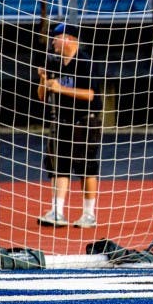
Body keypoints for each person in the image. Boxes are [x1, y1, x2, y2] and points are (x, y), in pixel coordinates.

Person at [36, 23, 104, 228]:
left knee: (86, 165)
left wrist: (60, 88)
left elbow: (91, 95)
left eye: (56, 37)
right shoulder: (54, 62)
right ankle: (57, 211)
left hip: (85, 120)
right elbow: (42, 96)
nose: (53, 41)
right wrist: (43, 80)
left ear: (69, 39)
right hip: (61, 120)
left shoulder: (85, 62)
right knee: (58, 166)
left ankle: (89, 214)